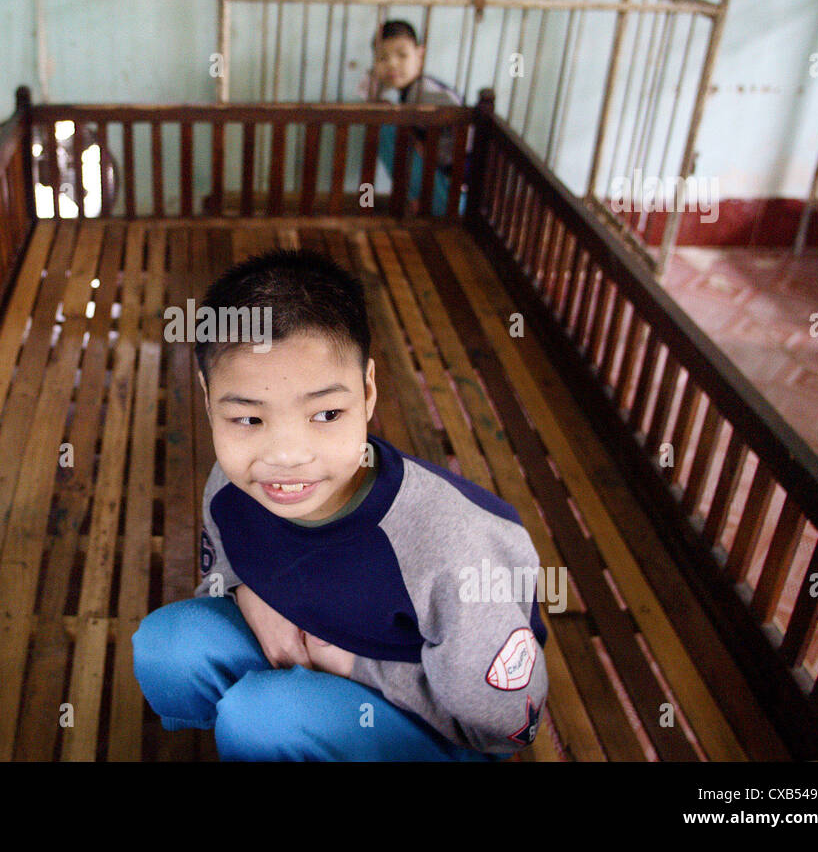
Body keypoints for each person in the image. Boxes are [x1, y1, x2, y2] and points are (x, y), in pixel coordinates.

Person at [133, 248, 549, 761]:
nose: (286, 458)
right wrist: (249, 596)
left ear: (368, 390)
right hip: (305, 673)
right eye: (248, 419)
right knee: (167, 646)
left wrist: (356, 667)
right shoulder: (231, 485)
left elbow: (508, 724)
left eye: (326, 413)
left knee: (261, 718)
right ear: (207, 396)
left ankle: (284, 735)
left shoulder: (454, 546)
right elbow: (223, 565)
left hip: (435, 724)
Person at [369, 19, 464, 215]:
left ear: (420, 55)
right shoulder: (412, 90)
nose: (392, 64)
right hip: (444, 180)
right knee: (384, 119)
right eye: (382, 58)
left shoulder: (430, 93)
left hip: (454, 187)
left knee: (384, 126)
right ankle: (420, 201)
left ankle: (426, 204)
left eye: (402, 55)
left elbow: (460, 139)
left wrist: (426, 145)